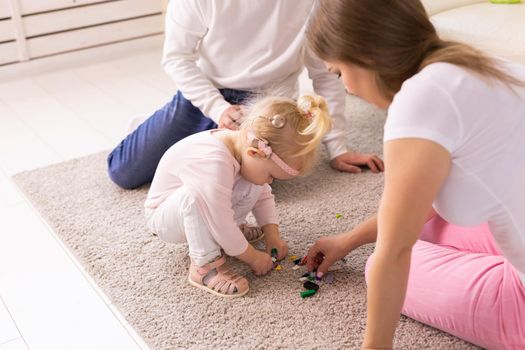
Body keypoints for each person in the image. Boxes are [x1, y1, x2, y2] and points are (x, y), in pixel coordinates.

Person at [304, 0, 525, 349]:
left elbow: (394, 253)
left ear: (365, 56)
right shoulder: (474, 64)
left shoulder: (417, 104)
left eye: (338, 72)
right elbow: (422, 202)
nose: (345, 86)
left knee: (381, 263)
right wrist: (348, 239)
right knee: (427, 226)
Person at [106, 0, 384, 190]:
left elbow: (324, 73)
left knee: (250, 186)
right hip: (208, 95)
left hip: (270, 105)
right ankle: (159, 126)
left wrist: (337, 148)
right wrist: (217, 108)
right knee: (123, 172)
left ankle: (189, 135)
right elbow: (177, 58)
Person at [145, 94, 331, 297]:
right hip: (166, 217)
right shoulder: (213, 161)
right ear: (255, 153)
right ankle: (204, 266)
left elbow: (263, 196)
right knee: (196, 199)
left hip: (209, 207)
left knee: (255, 183)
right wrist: (252, 257)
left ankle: (230, 234)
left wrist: (272, 234)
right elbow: (219, 219)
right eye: (271, 175)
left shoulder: (243, 151)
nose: (270, 182)